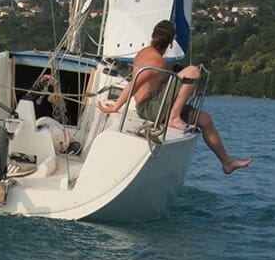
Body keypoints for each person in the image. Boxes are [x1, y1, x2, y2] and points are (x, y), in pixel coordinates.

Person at [98, 19, 252, 175]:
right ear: (171, 42)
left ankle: (227, 162)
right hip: (150, 108)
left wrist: (174, 75)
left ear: (153, 36)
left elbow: (154, 83)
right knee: (192, 71)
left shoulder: (145, 53)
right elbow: (134, 84)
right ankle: (174, 118)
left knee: (205, 120)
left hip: (157, 104)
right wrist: (117, 107)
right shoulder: (156, 61)